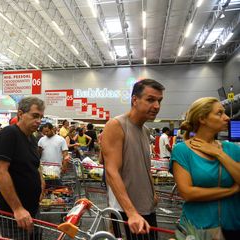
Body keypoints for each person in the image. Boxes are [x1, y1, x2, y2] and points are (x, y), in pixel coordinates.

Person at [101, 79, 165, 239]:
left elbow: (143, 166)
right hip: (127, 213)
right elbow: (111, 171)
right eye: (150, 99)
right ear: (134, 100)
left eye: (159, 101)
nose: (157, 106)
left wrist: (152, 192)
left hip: (146, 208)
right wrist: (131, 213)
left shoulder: (145, 131)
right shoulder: (116, 125)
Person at [170, 97, 240, 239]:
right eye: (219, 113)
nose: (227, 118)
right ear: (202, 119)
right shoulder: (182, 150)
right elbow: (187, 193)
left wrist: (219, 154)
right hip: (196, 230)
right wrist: (231, 190)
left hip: (233, 227)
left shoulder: (232, 149)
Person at [0, 97, 45, 239]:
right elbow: (0, 172)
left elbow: (34, 165)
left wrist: (41, 182)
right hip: (14, 214)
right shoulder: (9, 134)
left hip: (32, 208)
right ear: (20, 114)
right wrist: (18, 208)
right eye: (35, 116)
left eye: (41, 117)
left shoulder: (32, 138)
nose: (39, 121)